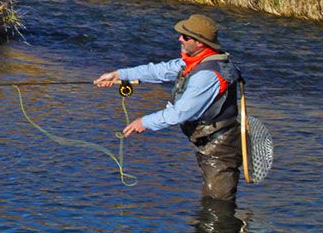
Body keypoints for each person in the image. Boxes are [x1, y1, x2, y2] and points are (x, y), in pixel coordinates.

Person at [94, 13, 244, 199]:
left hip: (220, 148)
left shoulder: (207, 75)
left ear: (200, 43)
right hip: (210, 144)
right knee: (211, 205)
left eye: (186, 37)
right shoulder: (195, 62)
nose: (180, 38)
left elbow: (181, 113)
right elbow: (159, 71)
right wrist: (119, 75)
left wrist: (145, 122)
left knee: (217, 208)